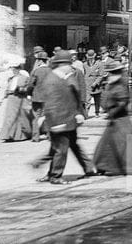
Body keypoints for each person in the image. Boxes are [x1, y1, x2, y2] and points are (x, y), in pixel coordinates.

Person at [38, 50, 96, 184]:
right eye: (68, 64)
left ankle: (87, 169)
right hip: (60, 121)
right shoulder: (52, 80)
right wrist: (55, 122)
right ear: (60, 65)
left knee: (70, 146)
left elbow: (74, 96)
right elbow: (51, 103)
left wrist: (79, 113)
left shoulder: (64, 77)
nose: (71, 66)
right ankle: (55, 176)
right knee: (61, 149)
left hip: (69, 119)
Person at [0, 58, 34, 142]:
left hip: (19, 98)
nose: (13, 70)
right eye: (12, 68)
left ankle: (20, 135)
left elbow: (28, 88)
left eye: (15, 68)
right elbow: (8, 87)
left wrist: (20, 90)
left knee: (20, 117)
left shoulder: (24, 77)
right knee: (10, 117)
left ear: (18, 68)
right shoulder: (11, 78)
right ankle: (9, 135)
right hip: (11, 99)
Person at [83, 50, 107, 117]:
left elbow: (101, 75)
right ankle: (86, 114)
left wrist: (96, 83)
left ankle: (97, 112)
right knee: (87, 100)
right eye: (89, 58)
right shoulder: (84, 64)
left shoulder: (99, 64)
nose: (90, 59)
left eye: (91, 57)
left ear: (94, 56)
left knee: (97, 100)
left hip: (96, 85)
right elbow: (84, 74)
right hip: (87, 84)